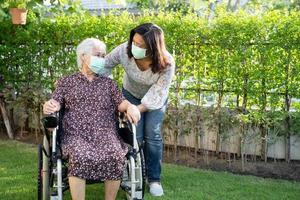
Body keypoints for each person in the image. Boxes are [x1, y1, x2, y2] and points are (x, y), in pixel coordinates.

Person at [43, 38, 140, 200]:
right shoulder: (67, 82)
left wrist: (130, 107)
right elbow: (56, 102)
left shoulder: (109, 84)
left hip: (105, 133)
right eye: (98, 55)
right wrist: (49, 105)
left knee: (115, 154)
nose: (102, 59)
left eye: (103, 56)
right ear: (83, 56)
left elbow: (121, 102)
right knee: (80, 154)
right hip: (75, 133)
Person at [103, 23, 175, 197]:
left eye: (141, 45)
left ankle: (154, 180)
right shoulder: (124, 50)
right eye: (134, 42)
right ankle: (131, 175)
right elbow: (105, 65)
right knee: (134, 136)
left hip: (155, 100)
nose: (135, 47)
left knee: (152, 135)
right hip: (130, 94)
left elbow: (158, 92)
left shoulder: (167, 62)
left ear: (153, 47)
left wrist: (137, 109)